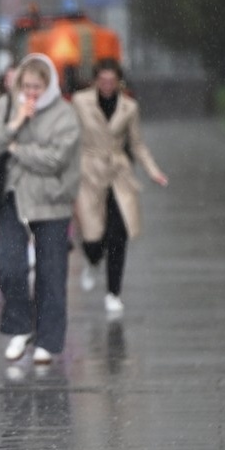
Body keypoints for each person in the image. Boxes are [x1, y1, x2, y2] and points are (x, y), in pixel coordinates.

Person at [0, 53, 81, 365]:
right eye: (26, 86)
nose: (31, 93)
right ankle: (19, 326)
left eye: (38, 87)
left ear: (49, 86)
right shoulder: (6, 106)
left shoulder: (64, 114)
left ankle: (48, 340)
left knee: (51, 273)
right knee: (9, 265)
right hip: (12, 197)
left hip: (52, 199)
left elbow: (56, 159)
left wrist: (18, 150)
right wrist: (15, 124)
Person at [72, 58, 169, 316]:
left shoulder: (129, 107)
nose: (106, 86)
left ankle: (113, 292)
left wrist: (153, 171)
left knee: (118, 232)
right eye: (102, 80)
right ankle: (92, 261)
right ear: (95, 80)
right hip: (89, 171)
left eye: (111, 81)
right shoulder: (81, 102)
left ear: (118, 82)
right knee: (93, 235)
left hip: (118, 172)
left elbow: (137, 144)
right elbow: (70, 135)